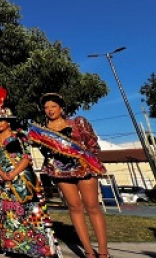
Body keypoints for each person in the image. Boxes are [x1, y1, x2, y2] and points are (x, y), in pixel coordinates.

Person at [0, 89, 61, 258]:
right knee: (10, 215)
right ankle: (15, 247)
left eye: (2, 120)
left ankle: (38, 248)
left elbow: (26, 158)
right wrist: (2, 175)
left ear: (9, 121)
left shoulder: (19, 135)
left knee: (30, 213)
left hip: (24, 180)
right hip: (5, 183)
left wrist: (13, 173)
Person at [35, 93, 109, 258]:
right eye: (46, 107)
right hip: (61, 171)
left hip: (84, 169)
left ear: (61, 108)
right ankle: (89, 252)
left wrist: (86, 159)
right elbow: (45, 153)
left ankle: (103, 253)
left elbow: (92, 143)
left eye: (53, 106)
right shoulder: (43, 130)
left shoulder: (78, 122)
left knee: (92, 206)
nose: (49, 110)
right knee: (74, 207)